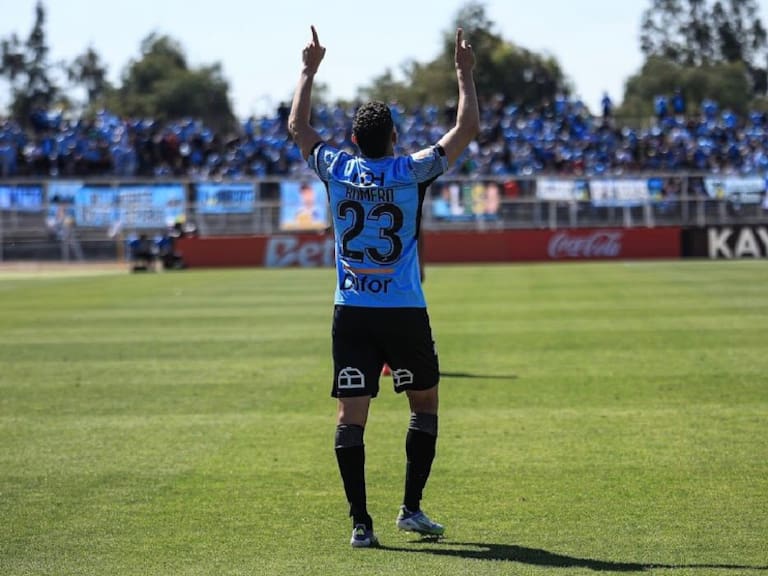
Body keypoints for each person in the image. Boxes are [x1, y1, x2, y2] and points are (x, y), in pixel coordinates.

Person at [288, 25, 479, 548]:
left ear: (354, 140)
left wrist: (308, 69)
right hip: (403, 310)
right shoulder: (411, 170)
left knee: (352, 417)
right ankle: (411, 509)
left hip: (350, 309)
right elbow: (466, 127)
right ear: (394, 137)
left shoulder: (337, 167)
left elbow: (298, 126)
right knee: (425, 407)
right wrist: (463, 73)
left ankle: (360, 523)